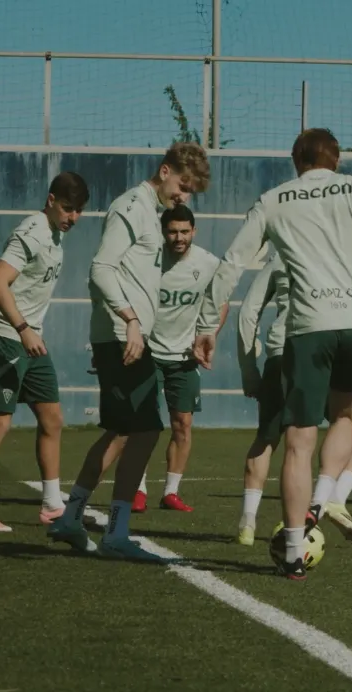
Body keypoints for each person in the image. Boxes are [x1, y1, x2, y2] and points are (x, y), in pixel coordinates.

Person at [198, 128, 352, 579]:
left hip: (308, 329)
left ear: (295, 160)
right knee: (347, 417)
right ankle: (322, 501)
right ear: (337, 159)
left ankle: (292, 551)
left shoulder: (273, 200)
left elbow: (232, 263)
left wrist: (208, 324)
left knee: (298, 443)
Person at [47, 142, 211, 560]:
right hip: (124, 337)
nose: (183, 197)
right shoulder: (131, 207)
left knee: (121, 431)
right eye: (183, 186)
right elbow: (100, 267)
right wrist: (131, 321)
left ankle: (71, 517)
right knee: (146, 429)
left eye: (190, 192)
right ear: (164, 170)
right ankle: (117, 532)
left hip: (127, 337)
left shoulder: (150, 214)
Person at [0, 172, 88, 532]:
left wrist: (30, 332)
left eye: (79, 211)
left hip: (31, 340)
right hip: (6, 337)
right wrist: (22, 328)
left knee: (52, 419)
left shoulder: (56, 234)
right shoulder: (31, 232)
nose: (73, 217)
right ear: (50, 201)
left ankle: (51, 504)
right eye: (67, 208)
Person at [235, 254, 352, 546]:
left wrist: (248, 369)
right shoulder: (338, 251)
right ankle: (331, 500)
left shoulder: (279, 258)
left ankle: (247, 523)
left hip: (280, 351)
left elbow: (249, 311)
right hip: (322, 355)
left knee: (268, 438)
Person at [128, 204, 226, 513]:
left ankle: (171, 492)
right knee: (144, 425)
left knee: (182, 424)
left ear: (194, 231)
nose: (178, 237)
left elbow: (220, 302)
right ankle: (137, 489)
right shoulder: (148, 261)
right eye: (172, 231)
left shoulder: (208, 263)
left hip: (185, 356)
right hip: (149, 353)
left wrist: (208, 333)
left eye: (185, 231)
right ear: (163, 232)